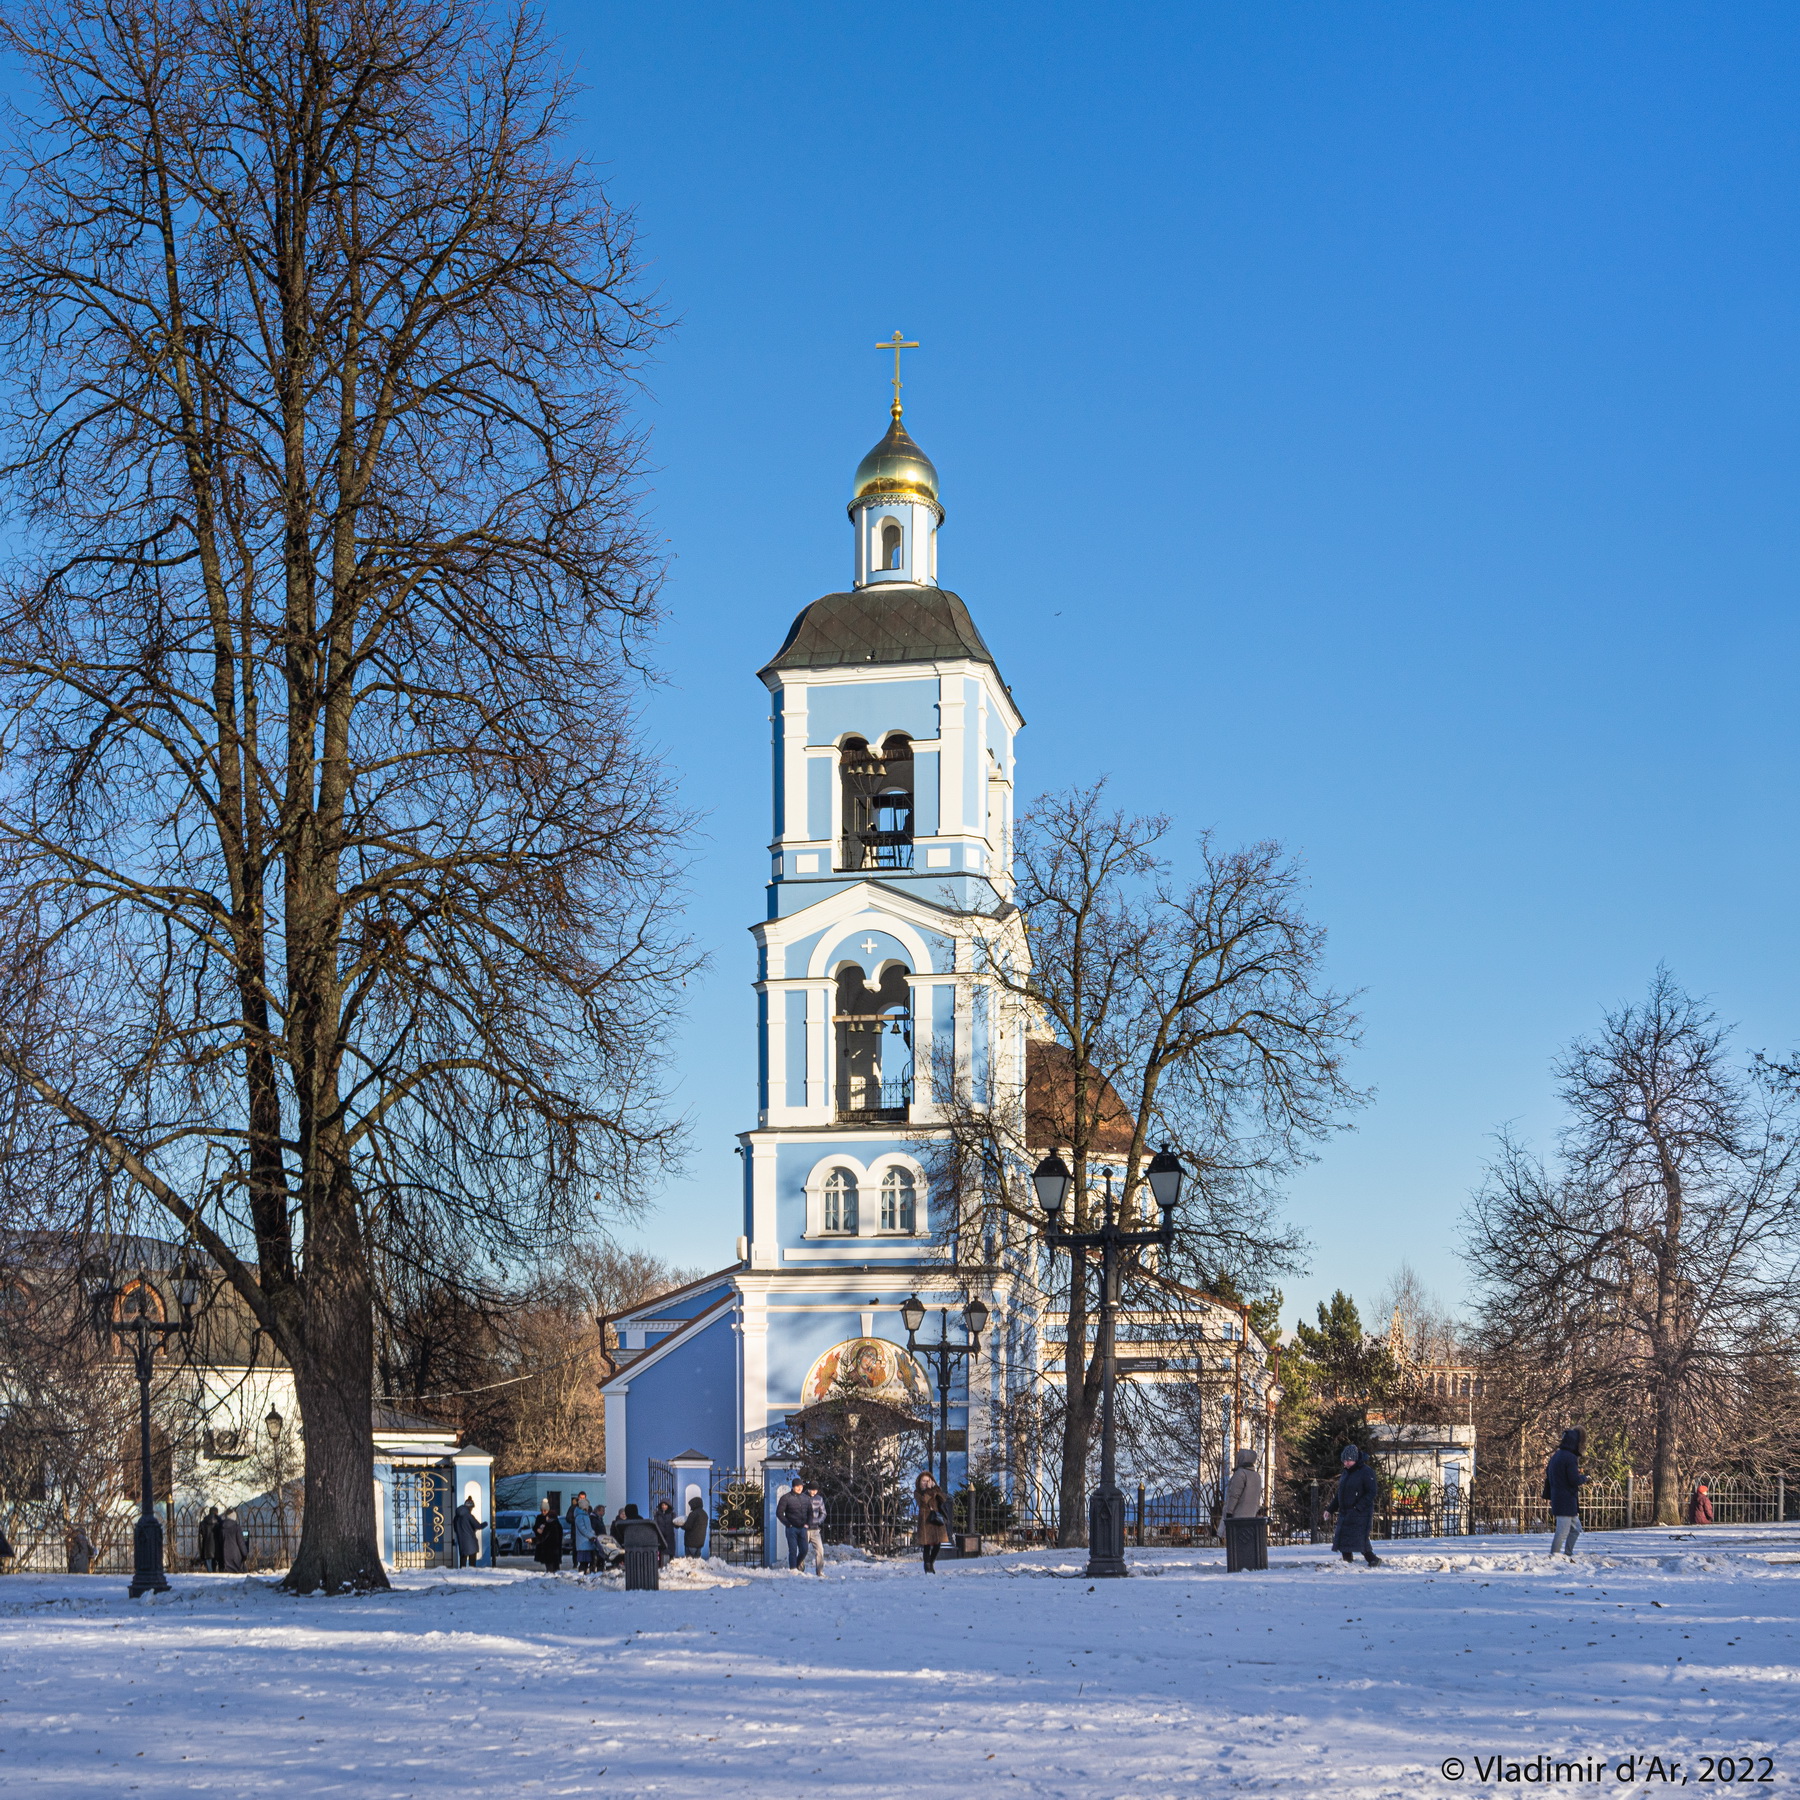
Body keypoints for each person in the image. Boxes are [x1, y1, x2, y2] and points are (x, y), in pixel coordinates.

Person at [1327, 1444, 1382, 1568]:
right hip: (1346, 1511)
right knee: (1343, 1536)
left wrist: (1358, 1507)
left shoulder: (1366, 1472)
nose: (1345, 1463)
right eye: (1344, 1461)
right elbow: (1340, 1493)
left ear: (1355, 1460)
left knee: (1359, 1537)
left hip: (1360, 1512)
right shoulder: (1346, 1473)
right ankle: (1347, 1560)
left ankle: (1372, 1559)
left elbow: (1371, 1492)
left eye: (1348, 1461)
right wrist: (1330, 1509)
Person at [1543, 1428, 1587, 1557]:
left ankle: (1568, 1554)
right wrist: (1584, 1478)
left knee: (1576, 1529)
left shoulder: (1556, 1456)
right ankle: (1554, 1555)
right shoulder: (1570, 1458)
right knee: (1562, 1532)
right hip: (1566, 1500)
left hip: (1560, 1498)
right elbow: (1573, 1480)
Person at [1224, 1448, 1267, 1572]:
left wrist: (1229, 1511)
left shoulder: (1240, 1474)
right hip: (1251, 1514)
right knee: (1247, 1541)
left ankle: (1238, 1565)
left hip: (1238, 1514)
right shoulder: (1256, 1476)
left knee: (1236, 1542)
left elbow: (1234, 1495)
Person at [914, 1470, 950, 1574]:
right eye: (923, 1481)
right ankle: (927, 1565)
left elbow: (943, 1499)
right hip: (926, 1521)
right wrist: (929, 1491)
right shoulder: (918, 1492)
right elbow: (924, 1501)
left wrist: (936, 1489)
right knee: (927, 1545)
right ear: (919, 1482)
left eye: (928, 1480)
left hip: (936, 1520)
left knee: (937, 1545)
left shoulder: (934, 1490)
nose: (925, 1483)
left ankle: (931, 1562)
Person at [776, 1480, 810, 1571]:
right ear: (793, 1487)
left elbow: (810, 1512)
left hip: (803, 1528)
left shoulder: (806, 1498)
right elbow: (779, 1513)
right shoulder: (785, 1498)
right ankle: (793, 1568)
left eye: (801, 1486)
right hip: (791, 1528)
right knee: (793, 1550)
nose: (799, 1488)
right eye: (797, 1486)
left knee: (804, 1550)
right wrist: (788, 1524)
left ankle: (797, 1564)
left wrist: (807, 1523)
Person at [566, 1492, 599, 1573]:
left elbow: (588, 1527)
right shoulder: (580, 1516)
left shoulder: (585, 1515)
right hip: (583, 1543)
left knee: (588, 1561)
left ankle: (587, 1574)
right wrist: (591, 1535)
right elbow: (583, 1529)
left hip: (587, 1542)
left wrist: (592, 1533)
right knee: (583, 1563)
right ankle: (581, 1574)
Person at [453, 1497, 487, 1569]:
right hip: (470, 1540)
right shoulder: (468, 1516)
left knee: (463, 1558)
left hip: (461, 1539)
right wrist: (485, 1524)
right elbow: (477, 1526)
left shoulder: (456, 1517)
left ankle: (462, 1573)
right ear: (470, 1507)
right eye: (472, 1508)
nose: (472, 1509)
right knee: (472, 1559)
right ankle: (471, 1574)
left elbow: (455, 1529)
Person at [531, 1498, 564, 1572]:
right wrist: (537, 1530)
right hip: (543, 1543)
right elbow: (535, 1526)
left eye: (545, 1510)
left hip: (551, 1544)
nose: (543, 1512)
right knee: (548, 1562)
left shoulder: (552, 1518)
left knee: (553, 1564)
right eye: (541, 1510)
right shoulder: (539, 1517)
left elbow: (556, 1531)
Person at [803, 1483, 828, 1578]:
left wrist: (817, 1521)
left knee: (820, 1550)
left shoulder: (819, 1499)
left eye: (815, 1490)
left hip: (815, 1529)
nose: (813, 1492)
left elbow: (823, 1513)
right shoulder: (802, 1497)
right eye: (812, 1490)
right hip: (804, 1529)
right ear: (808, 1489)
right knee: (803, 1550)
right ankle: (800, 1570)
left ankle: (820, 1571)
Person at [218, 1508, 249, 1573]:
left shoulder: (221, 1528)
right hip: (236, 1557)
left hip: (225, 1556)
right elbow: (241, 1543)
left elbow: (220, 1542)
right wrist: (245, 1554)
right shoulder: (236, 1527)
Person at [651, 1498, 678, 1567]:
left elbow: (676, 1524)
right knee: (661, 1552)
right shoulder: (658, 1515)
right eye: (662, 1505)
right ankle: (660, 1567)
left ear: (668, 1506)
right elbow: (655, 1524)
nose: (664, 1506)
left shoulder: (672, 1514)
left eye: (665, 1505)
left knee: (670, 1553)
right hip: (661, 1537)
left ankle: (670, 1567)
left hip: (670, 1537)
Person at [682, 1495, 709, 1560]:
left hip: (691, 1541)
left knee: (690, 1561)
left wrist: (680, 1525)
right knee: (697, 1561)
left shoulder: (693, 1514)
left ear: (695, 1504)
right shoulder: (704, 1514)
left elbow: (688, 1526)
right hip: (700, 1542)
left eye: (691, 1505)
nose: (690, 1506)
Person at [196, 1506, 220, 1571]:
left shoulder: (203, 1523)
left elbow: (200, 1538)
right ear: (216, 1513)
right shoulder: (220, 1522)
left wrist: (201, 1551)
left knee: (210, 1570)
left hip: (207, 1550)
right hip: (218, 1549)